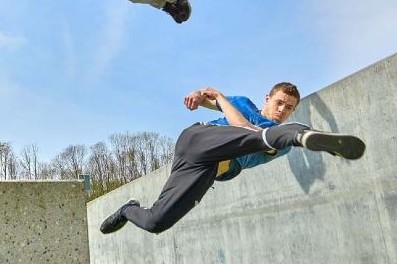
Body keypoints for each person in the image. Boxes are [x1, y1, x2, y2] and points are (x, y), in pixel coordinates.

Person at [99, 82, 366, 235]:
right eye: (279, 103)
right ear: (267, 98)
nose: (282, 110)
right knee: (263, 136)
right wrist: (198, 95)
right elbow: (206, 98)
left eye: (289, 108)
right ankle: (302, 133)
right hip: (199, 140)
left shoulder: (278, 141)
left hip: (206, 169)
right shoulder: (244, 103)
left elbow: (243, 129)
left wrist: (222, 99)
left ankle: (127, 209)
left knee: (155, 222)